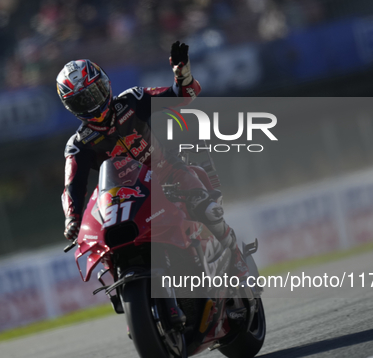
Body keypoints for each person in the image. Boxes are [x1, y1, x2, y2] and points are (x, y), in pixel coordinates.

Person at [57, 41, 246, 276]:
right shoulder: (78, 145)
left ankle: (236, 256)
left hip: (168, 175)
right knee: (108, 245)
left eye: (93, 94)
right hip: (126, 200)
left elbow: (183, 96)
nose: (92, 104)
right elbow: (72, 187)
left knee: (206, 208)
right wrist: (71, 220)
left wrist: (182, 75)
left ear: (104, 84)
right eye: (81, 101)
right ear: (71, 107)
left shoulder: (133, 100)